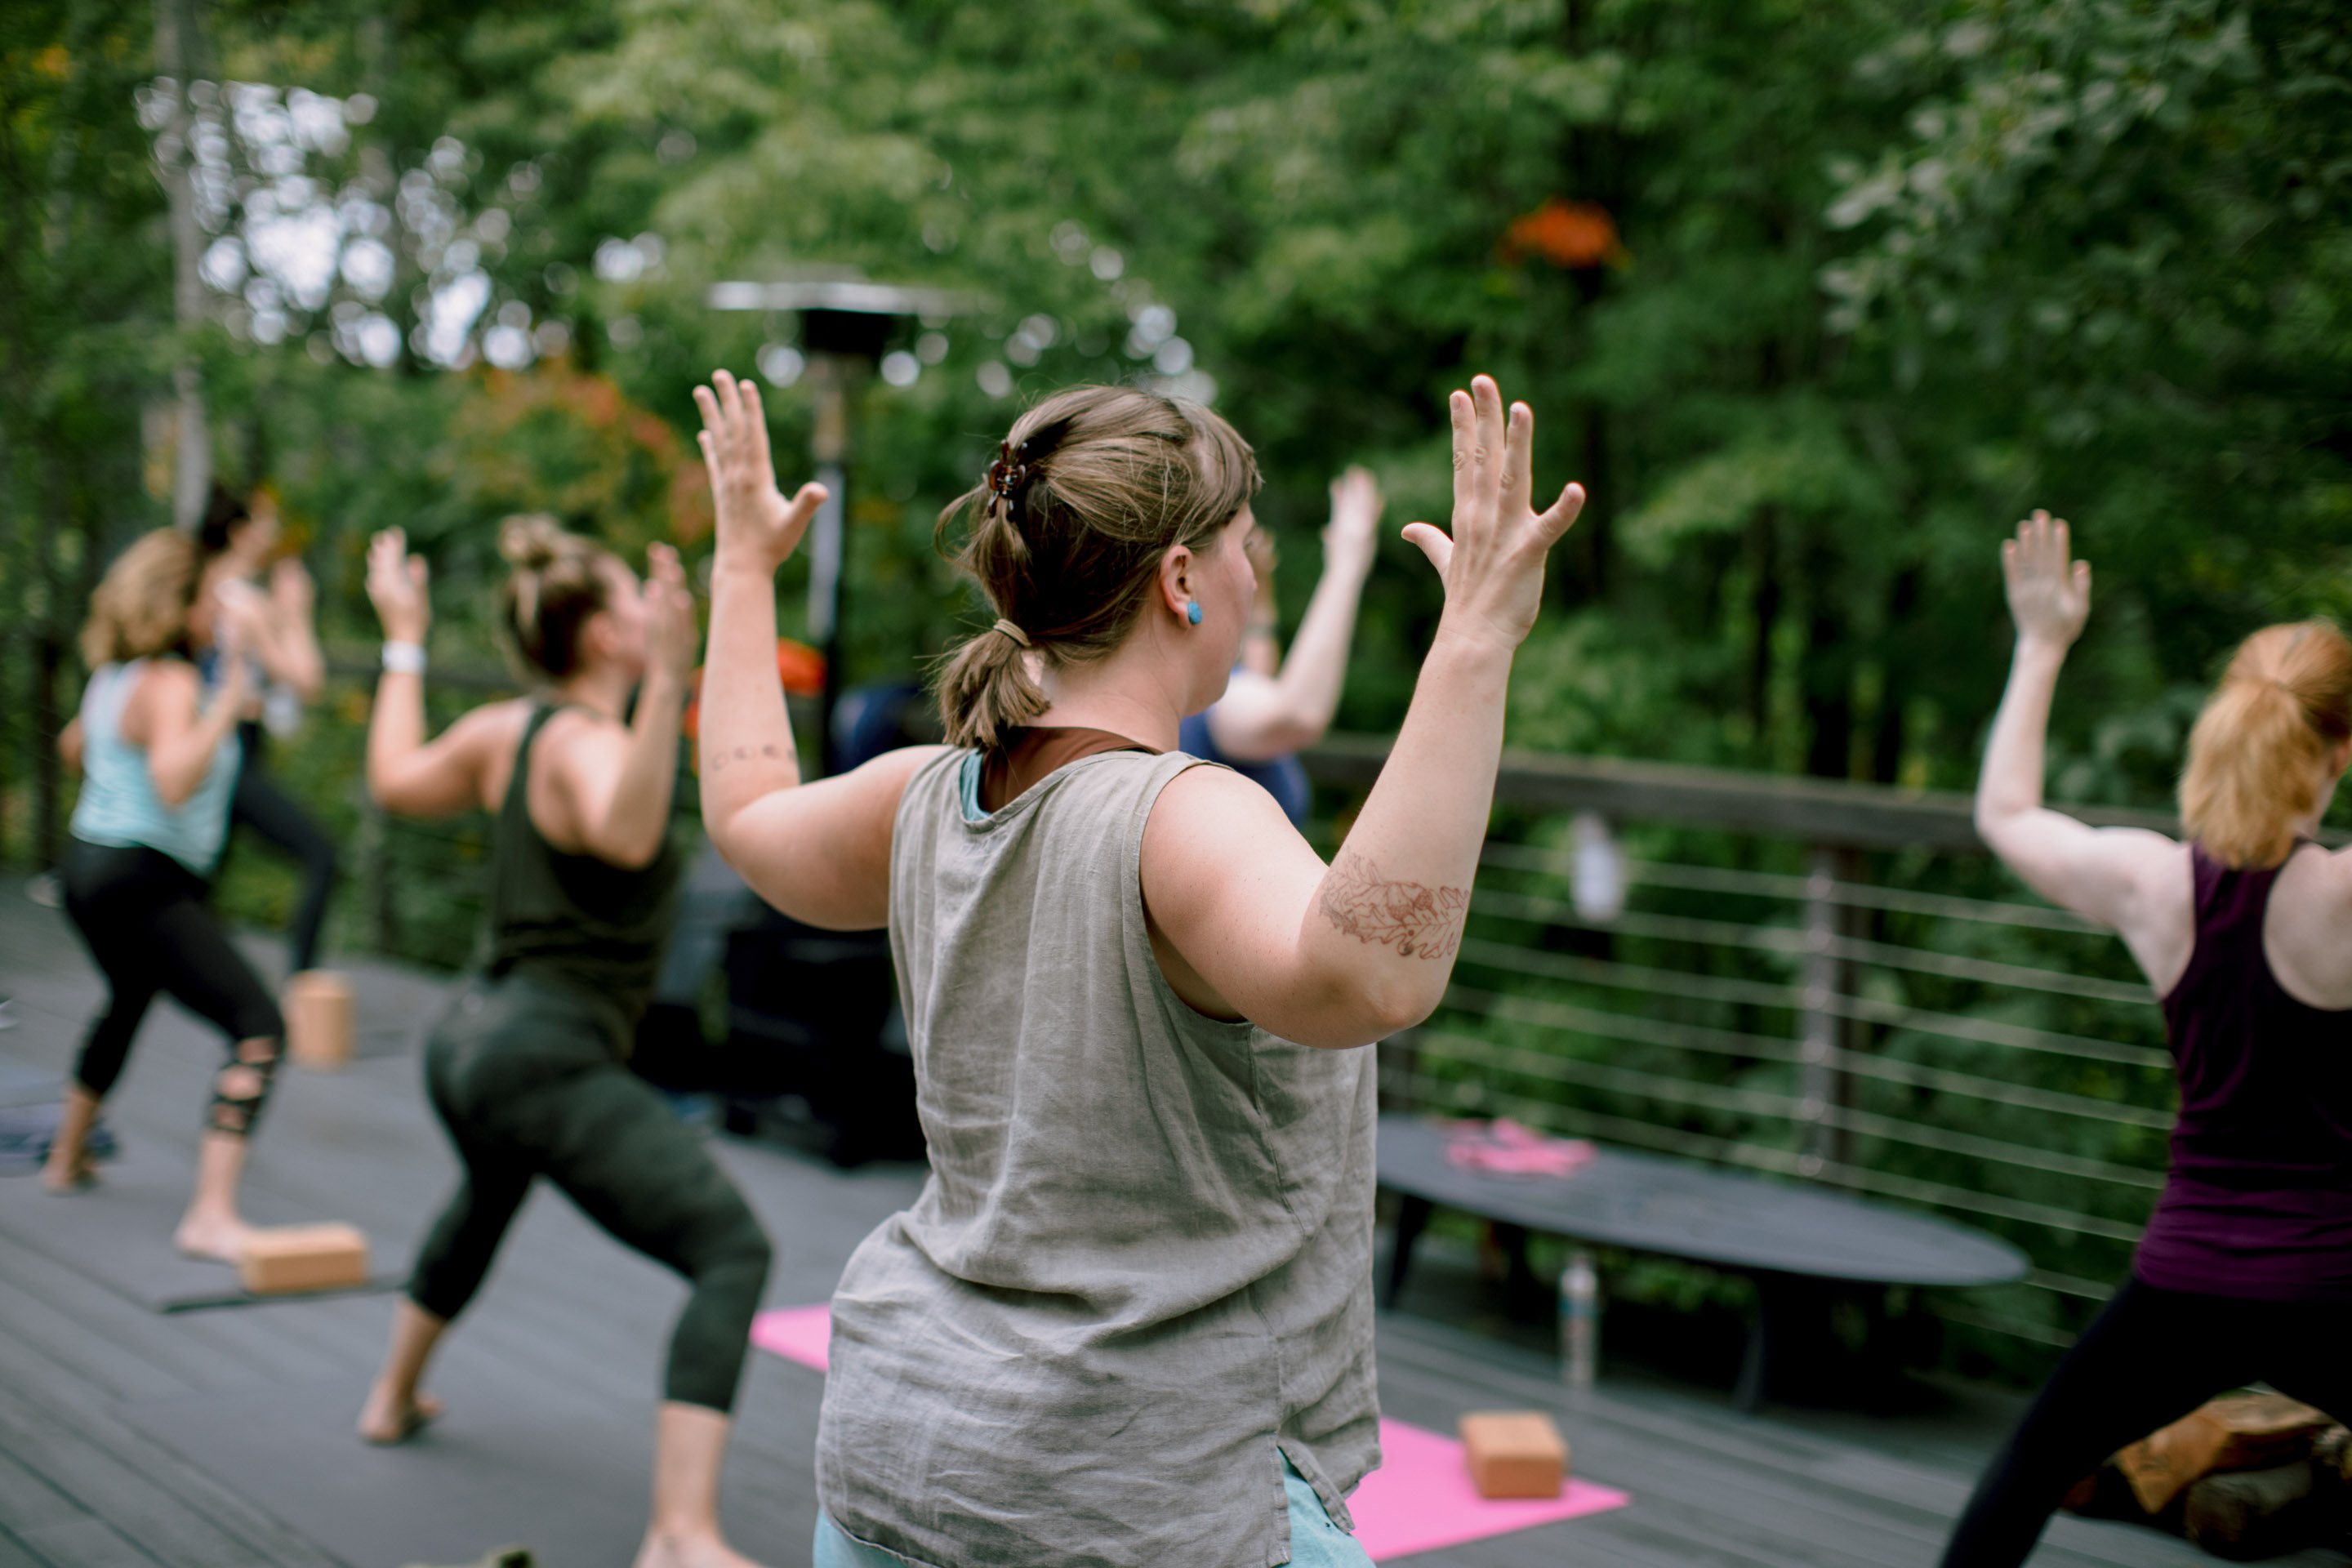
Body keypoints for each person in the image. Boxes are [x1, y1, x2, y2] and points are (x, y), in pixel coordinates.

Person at [692, 369, 1584, 1568]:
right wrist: (1475, 636)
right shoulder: (1180, 816)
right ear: (1179, 580)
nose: (1253, 575)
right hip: (1141, 1498)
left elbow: (748, 811)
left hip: (897, 1468)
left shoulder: (917, 796)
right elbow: (1369, 981)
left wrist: (743, 572)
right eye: (1246, 549)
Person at [353, 516, 776, 1568]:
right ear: (599, 640)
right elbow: (626, 830)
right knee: (732, 1250)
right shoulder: (589, 742)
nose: (650, 610)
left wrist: (405, 640)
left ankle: (390, 1397)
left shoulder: (506, 730)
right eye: (634, 602)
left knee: (491, 1186)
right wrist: (672, 681)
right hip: (539, 1053)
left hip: (466, 1039)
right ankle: (679, 1534)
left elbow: (395, 776)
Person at [1942, 511, 2352, 1567]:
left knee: (2030, 1468)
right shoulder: (2343, 899)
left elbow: (2006, 811)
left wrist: (2040, 646)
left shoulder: (2151, 881)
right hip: (2330, 1282)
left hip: (2186, 1282)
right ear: (2339, 747)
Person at [42, 528, 284, 1263]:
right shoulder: (176, 685)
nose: (220, 610)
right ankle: (210, 1215)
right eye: (211, 598)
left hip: (87, 866)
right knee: (258, 1026)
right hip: (141, 877)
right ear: (178, 605)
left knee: (128, 995)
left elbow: (73, 747)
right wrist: (222, 707)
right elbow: (175, 782)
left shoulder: (115, 676)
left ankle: (65, 1159)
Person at [1178, 466, 1383, 825]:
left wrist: (1261, 607)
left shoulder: (1198, 694)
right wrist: (1347, 565)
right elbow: (1296, 714)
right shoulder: (1205, 704)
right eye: (1244, 546)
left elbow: (1258, 681)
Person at [194, 485, 338, 978]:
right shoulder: (244, 601)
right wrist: (298, 610)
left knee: (201, 872)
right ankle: (300, 988)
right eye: (264, 521)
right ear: (240, 532)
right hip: (233, 748)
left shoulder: (201, 585)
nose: (273, 532)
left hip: (207, 744)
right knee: (322, 855)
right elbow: (307, 679)